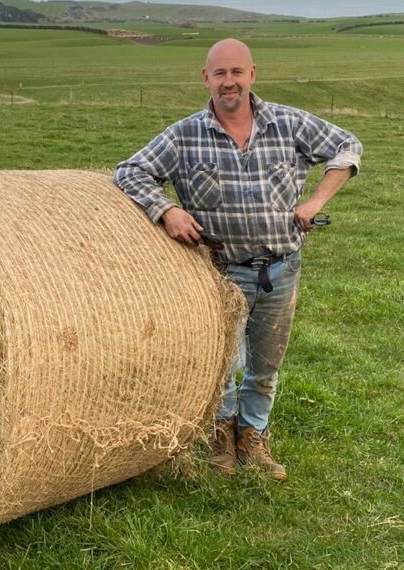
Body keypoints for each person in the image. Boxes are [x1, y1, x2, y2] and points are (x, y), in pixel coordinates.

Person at [113, 38, 362, 482]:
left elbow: (347, 147)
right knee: (222, 364)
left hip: (280, 269)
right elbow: (130, 171)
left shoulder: (288, 123)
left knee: (266, 364)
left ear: (252, 74)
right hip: (219, 272)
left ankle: (254, 440)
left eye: (237, 72)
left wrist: (315, 202)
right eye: (220, 74)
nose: (229, 82)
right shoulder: (184, 134)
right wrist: (166, 210)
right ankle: (220, 439)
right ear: (205, 78)